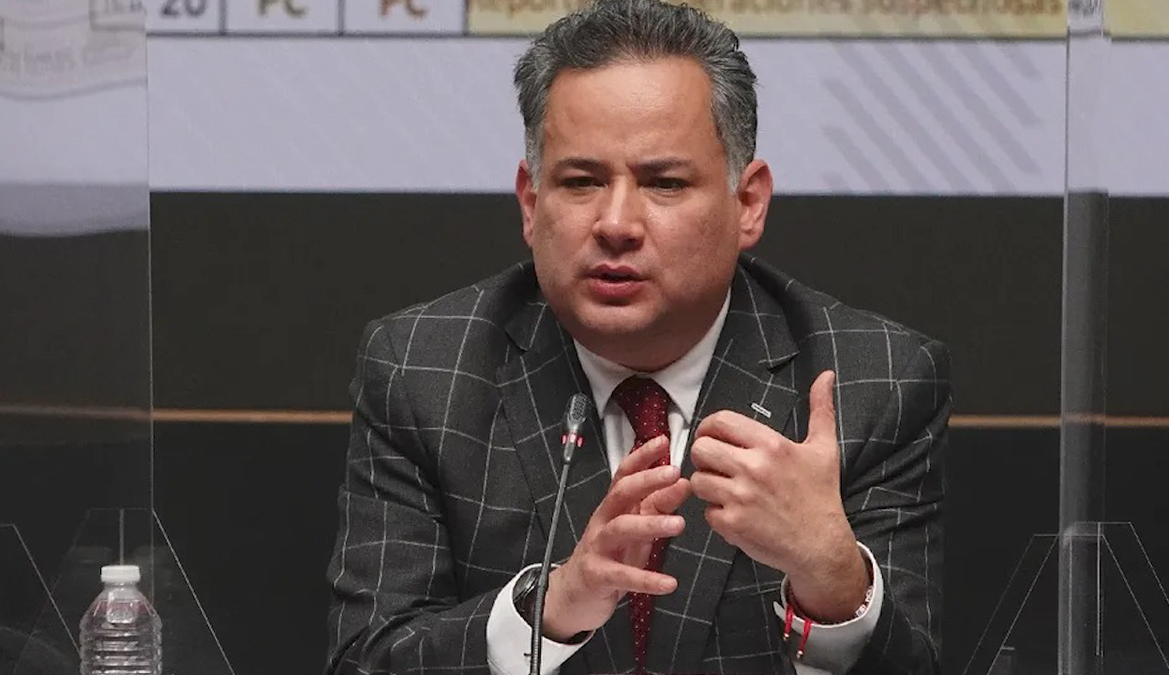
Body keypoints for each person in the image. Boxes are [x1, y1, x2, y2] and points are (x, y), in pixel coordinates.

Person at [326, 1, 950, 674]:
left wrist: (832, 577)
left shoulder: (873, 382)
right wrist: (549, 611)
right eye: (581, 182)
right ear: (531, 203)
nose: (617, 224)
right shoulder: (425, 371)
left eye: (664, 183)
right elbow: (367, 661)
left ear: (748, 203)